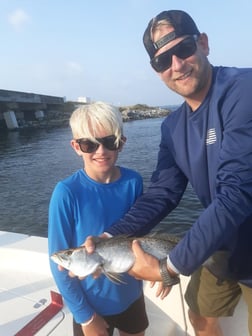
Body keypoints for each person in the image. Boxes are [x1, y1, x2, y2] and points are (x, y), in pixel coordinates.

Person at [84, 10, 252, 336]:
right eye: (163, 61)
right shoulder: (172, 127)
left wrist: (167, 267)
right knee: (200, 315)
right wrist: (109, 237)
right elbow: (163, 193)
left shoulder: (243, 92)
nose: (177, 65)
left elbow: (237, 193)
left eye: (184, 48)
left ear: (203, 43)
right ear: (156, 70)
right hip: (222, 247)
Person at [48, 101, 148, 336]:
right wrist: (85, 316)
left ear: (121, 143)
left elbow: (140, 237)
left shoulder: (134, 182)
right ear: (76, 146)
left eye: (109, 142)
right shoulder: (66, 193)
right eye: (89, 144)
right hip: (91, 304)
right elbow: (59, 264)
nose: (100, 151)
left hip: (132, 295)